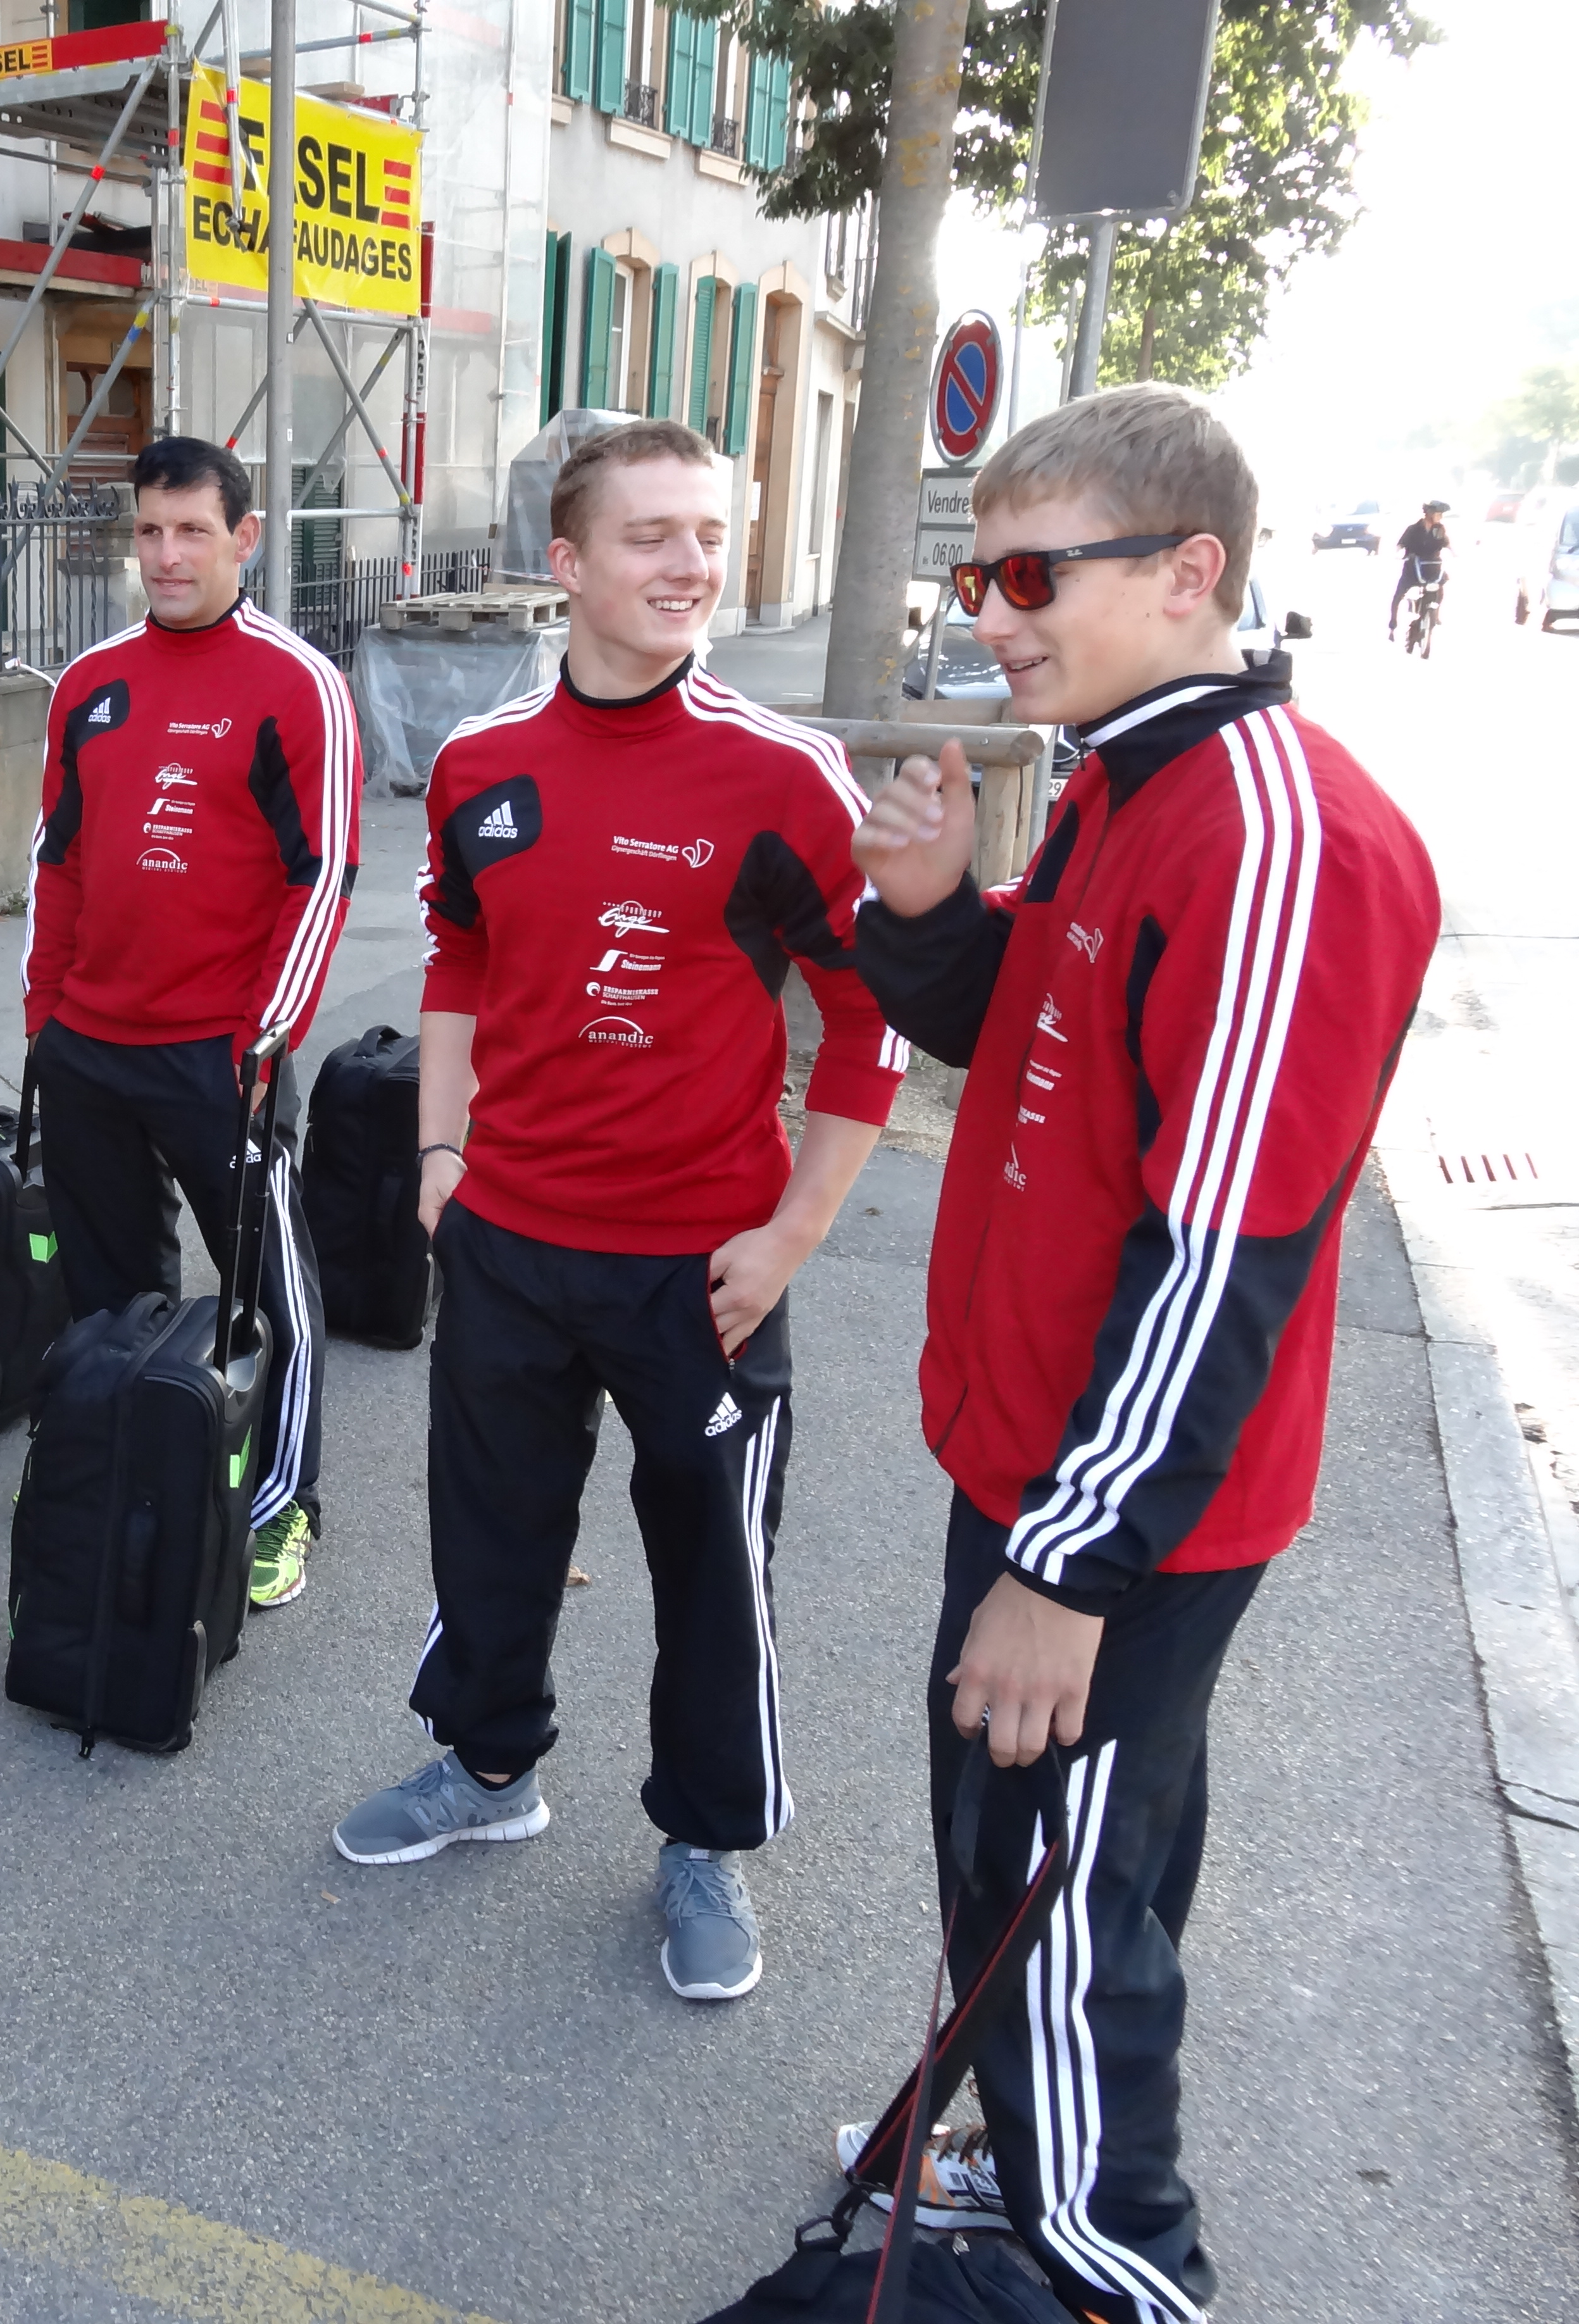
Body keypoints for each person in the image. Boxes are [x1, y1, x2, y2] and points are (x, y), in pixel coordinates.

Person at [842, 383, 1439, 2320]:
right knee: (1045, 1864)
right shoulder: (1129, 773)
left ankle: (1117, 2270)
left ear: (1191, 573)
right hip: (1042, 1458)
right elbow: (1036, 1037)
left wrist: (1066, 1569)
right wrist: (929, 919)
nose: (991, 619)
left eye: (1032, 578)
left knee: (1057, 1907)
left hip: (1112, 1513)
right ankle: (1031, 2161)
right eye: (977, 580)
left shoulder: (1268, 834)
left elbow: (1225, 1258)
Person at [329, 418, 906, 2006]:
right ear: (567, 562)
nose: (691, 564)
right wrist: (441, 1156)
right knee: (492, 1530)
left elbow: (871, 1022)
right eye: (651, 534)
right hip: (508, 1242)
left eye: (709, 533)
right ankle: (486, 1766)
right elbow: (459, 958)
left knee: (712, 1570)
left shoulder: (780, 775)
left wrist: (790, 1236)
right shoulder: (482, 763)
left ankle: (704, 1839)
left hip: (698, 1271)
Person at [19, 435, 357, 1609]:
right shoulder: (90, 683)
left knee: (271, 1295)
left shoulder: (297, 685)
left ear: (243, 538)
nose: (167, 556)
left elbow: (320, 877)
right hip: (89, 1046)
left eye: (193, 532)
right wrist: (44, 1016)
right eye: (150, 531)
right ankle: (132, 1455)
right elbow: (57, 860)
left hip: (221, 1054)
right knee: (112, 1288)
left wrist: (264, 1041)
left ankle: (282, 1502)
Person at [1390, 496, 1451, 637]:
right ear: (1429, 513)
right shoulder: (1413, 529)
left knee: (1440, 586)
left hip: (1433, 567)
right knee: (1399, 595)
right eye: (1438, 514)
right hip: (1414, 567)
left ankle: (1435, 615)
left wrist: (1453, 551)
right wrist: (1397, 553)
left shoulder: (1440, 529)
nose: (1440, 517)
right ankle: (1393, 625)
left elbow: (1446, 543)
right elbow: (1402, 544)